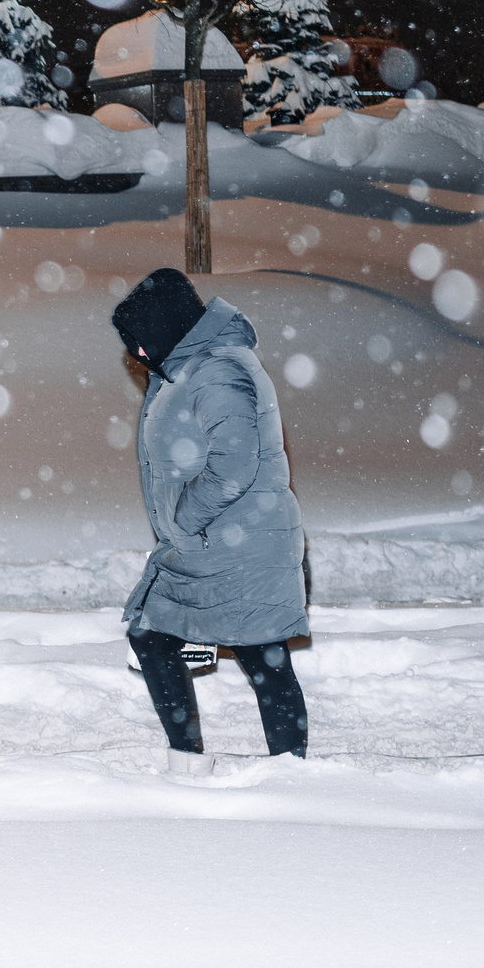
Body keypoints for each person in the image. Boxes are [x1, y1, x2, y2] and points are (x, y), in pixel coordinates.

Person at [109, 268, 310, 773]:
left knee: (262, 659)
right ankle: (194, 765)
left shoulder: (218, 371)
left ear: (165, 328)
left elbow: (234, 464)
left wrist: (182, 519)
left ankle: (289, 774)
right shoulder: (188, 369)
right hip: (214, 543)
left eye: (138, 342)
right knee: (154, 634)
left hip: (240, 544)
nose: (135, 354)